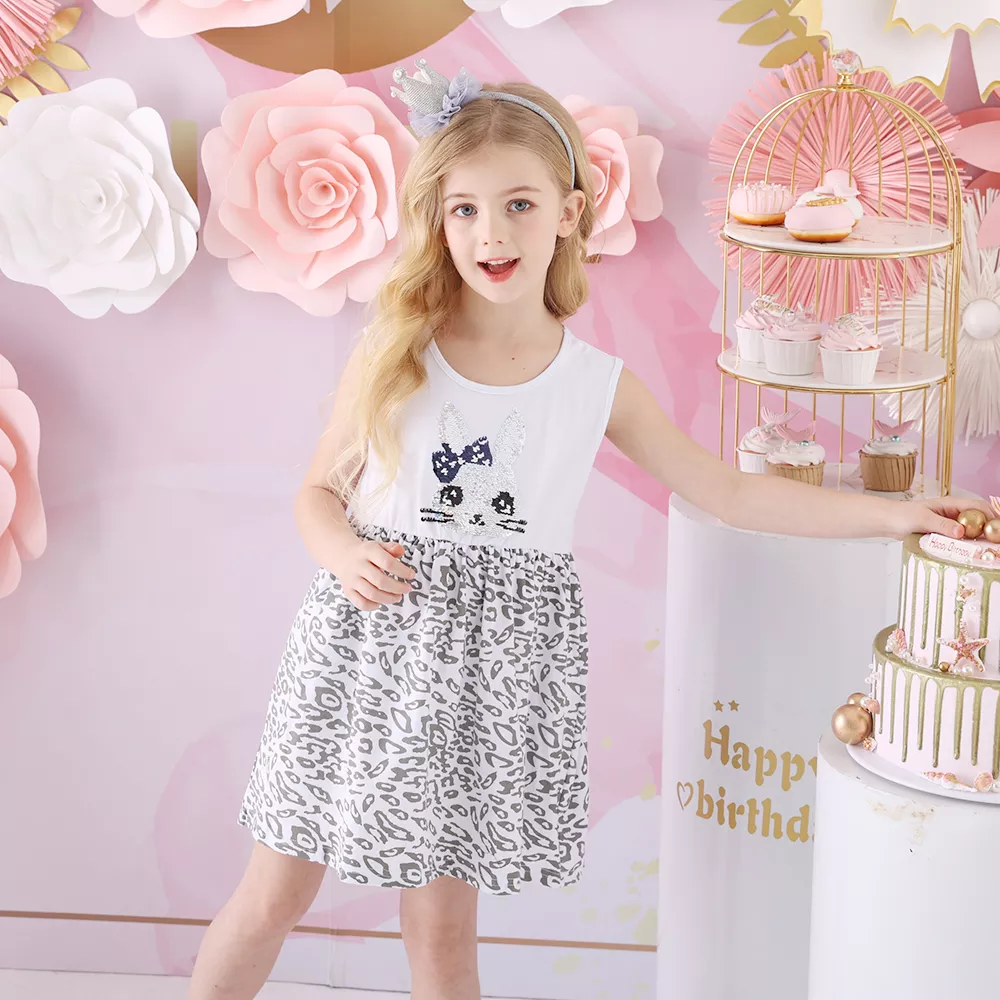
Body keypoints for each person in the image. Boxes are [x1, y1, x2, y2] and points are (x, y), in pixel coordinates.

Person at [186, 64, 980, 1000]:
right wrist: (343, 551)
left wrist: (896, 512)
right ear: (439, 221)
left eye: (518, 205)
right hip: (365, 656)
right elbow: (317, 494)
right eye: (465, 210)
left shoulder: (594, 385)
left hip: (489, 682)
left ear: (567, 213)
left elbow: (730, 491)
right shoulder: (399, 350)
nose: (492, 233)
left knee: (441, 930)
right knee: (274, 893)